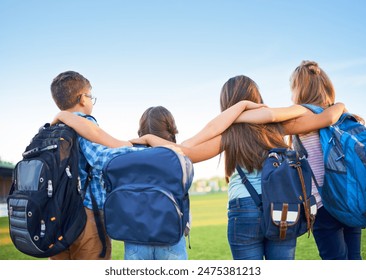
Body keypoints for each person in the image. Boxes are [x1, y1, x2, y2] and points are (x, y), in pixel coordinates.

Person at [130, 75, 345, 260]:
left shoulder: (227, 135)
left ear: (226, 103)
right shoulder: (277, 126)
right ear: (257, 98)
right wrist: (340, 107)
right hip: (282, 206)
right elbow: (325, 118)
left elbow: (185, 152)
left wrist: (149, 138)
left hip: (243, 209)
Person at [49, 70, 142, 260]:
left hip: (54, 217)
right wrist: (142, 150)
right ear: (83, 98)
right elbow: (101, 158)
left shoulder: (51, 130)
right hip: (85, 215)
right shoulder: (83, 124)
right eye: (91, 96)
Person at [289, 60, 363, 260]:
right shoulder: (345, 117)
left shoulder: (302, 118)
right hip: (349, 198)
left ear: (299, 88)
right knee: (354, 259)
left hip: (323, 205)